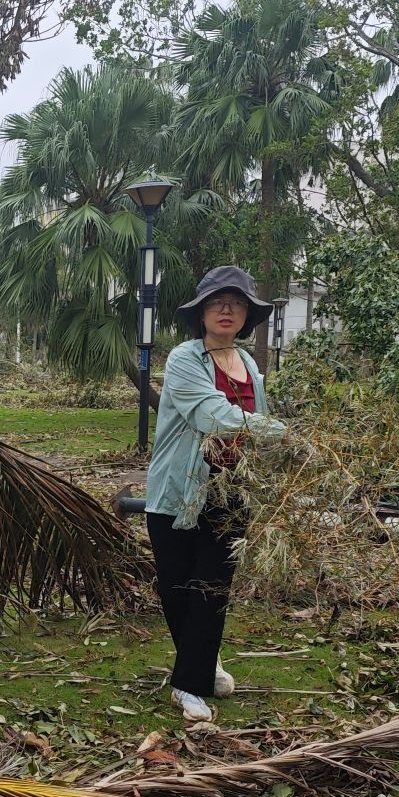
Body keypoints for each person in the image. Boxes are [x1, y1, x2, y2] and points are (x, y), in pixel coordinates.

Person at [144, 265, 287, 723]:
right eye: (217, 303)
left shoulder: (248, 365)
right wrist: (285, 433)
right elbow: (212, 415)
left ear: (248, 315)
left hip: (231, 492)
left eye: (237, 304)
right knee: (179, 586)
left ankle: (193, 674)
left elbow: (254, 433)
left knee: (213, 587)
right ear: (201, 312)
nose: (227, 311)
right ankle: (194, 679)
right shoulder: (186, 359)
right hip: (178, 491)